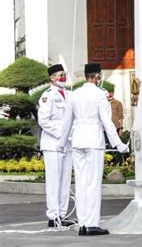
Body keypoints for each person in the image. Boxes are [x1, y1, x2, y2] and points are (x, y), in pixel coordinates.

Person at [59, 63, 129, 236]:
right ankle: (91, 224)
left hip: (77, 140)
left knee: (81, 183)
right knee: (93, 184)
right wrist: (119, 144)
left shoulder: (74, 94)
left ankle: (83, 224)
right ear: (97, 76)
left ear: (85, 76)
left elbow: (67, 121)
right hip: (93, 140)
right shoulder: (100, 94)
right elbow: (107, 122)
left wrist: (61, 143)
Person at [37, 64, 75, 228]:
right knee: (54, 181)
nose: (63, 77)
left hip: (67, 143)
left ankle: (62, 214)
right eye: (60, 75)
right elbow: (44, 121)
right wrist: (63, 133)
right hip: (53, 144)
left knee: (65, 180)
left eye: (64, 74)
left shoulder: (69, 94)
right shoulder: (48, 96)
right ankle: (53, 216)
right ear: (52, 78)